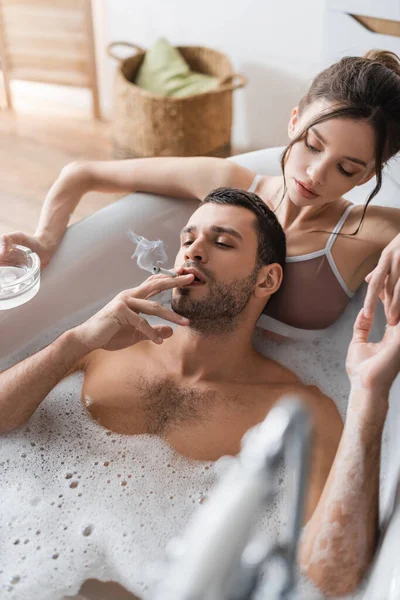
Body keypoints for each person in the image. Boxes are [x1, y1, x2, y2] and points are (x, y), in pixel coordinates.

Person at [0, 188, 398, 597]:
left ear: (267, 279)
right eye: (187, 240)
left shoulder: (297, 410)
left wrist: (370, 390)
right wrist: (74, 341)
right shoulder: (101, 344)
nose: (194, 252)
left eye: (222, 242)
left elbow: (333, 577)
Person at [2, 50, 400, 339]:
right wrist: (46, 240)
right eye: (312, 144)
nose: (316, 173)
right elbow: (81, 173)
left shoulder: (368, 231)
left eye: (346, 168)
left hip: (283, 395)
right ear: (294, 120)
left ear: (369, 175)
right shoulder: (232, 184)